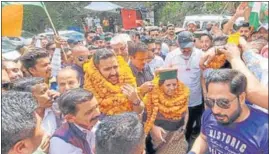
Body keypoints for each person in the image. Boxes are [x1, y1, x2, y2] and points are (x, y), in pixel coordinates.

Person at [189, 69, 268, 154]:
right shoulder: (209, 114)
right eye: (210, 101)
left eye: (223, 102)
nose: (215, 110)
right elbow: (204, 138)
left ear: (241, 98)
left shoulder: (264, 132)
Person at [200, 40, 268, 110]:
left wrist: (234, 58)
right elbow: (246, 51)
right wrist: (216, 49)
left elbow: (252, 92)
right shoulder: (262, 64)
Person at [164, 31, 204, 143]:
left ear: (194, 42)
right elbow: (165, 78)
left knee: (191, 124)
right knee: (179, 127)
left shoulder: (201, 55)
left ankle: (187, 143)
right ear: (177, 44)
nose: (186, 50)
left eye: (188, 48)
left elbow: (203, 77)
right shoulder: (171, 56)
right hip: (178, 101)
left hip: (196, 100)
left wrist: (206, 96)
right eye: (183, 48)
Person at [83, 49, 144, 115]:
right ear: (97, 70)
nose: (113, 73)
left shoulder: (127, 78)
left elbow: (139, 112)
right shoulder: (90, 92)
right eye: (107, 69)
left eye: (115, 67)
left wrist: (135, 100)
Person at [143, 68, 190, 154]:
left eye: (174, 84)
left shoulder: (182, 97)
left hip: (178, 140)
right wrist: (153, 127)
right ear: (160, 85)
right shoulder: (151, 98)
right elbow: (144, 117)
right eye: (168, 85)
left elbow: (186, 111)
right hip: (160, 142)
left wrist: (183, 128)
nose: (172, 88)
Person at [50, 88, 100, 154]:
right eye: (89, 112)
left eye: (96, 106)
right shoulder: (61, 142)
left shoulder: (98, 125)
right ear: (70, 118)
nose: (97, 113)